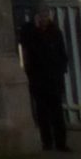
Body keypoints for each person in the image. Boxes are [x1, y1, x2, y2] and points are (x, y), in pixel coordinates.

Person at [19, 8, 70, 151]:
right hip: (39, 80)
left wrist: (60, 70)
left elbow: (62, 54)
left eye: (46, 16)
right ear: (37, 18)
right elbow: (25, 42)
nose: (44, 19)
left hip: (54, 79)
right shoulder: (33, 34)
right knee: (42, 114)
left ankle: (61, 143)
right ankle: (47, 142)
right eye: (41, 16)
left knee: (57, 113)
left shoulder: (55, 33)